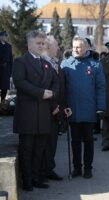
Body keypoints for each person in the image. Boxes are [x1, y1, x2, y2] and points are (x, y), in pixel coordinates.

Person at [12, 30, 59, 191]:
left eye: (43, 43)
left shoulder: (45, 62)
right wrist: (41, 93)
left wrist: (52, 93)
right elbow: (20, 82)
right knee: (27, 149)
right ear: (29, 44)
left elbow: (55, 80)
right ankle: (27, 181)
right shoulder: (21, 61)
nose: (41, 46)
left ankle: (37, 177)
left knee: (40, 148)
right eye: (38, 43)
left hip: (44, 113)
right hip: (28, 114)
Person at [61, 36, 106, 178]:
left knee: (88, 140)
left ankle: (88, 168)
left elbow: (100, 87)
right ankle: (77, 168)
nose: (76, 49)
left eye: (79, 46)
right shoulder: (65, 65)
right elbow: (62, 89)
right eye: (74, 46)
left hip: (89, 109)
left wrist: (100, 107)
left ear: (86, 47)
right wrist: (64, 106)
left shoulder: (95, 65)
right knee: (75, 141)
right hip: (72, 109)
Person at [41, 35, 64, 181]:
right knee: (45, 144)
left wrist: (63, 106)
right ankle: (42, 171)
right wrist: (52, 107)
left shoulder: (56, 63)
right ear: (48, 47)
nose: (58, 48)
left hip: (57, 109)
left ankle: (49, 168)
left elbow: (61, 88)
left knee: (53, 142)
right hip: (47, 110)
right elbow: (44, 88)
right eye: (56, 45)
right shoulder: (43, 63)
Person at [0, 31, 13, 105]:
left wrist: (10, 72)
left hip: (6, 70)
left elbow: (11, 59)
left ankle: (2, 104)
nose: (6, 37)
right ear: (1, 37)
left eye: (6, 36)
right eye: (5, 36)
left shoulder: (9, 46)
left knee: (4, 88)